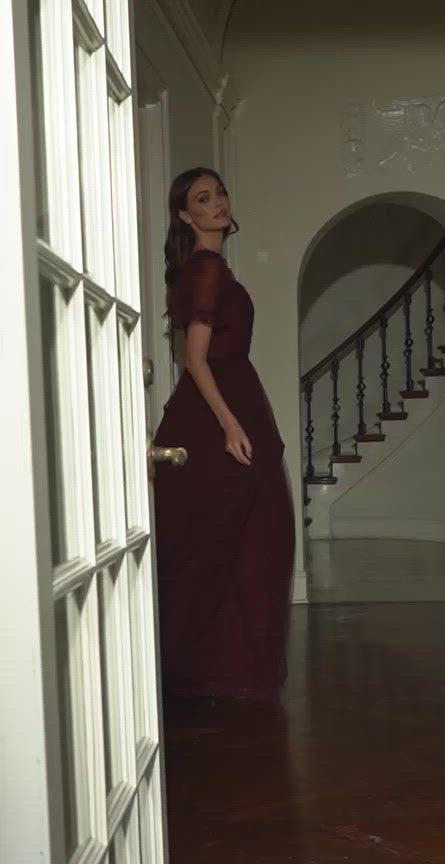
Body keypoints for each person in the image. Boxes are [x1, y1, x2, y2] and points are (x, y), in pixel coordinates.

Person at [153, 167, 294, 704]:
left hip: (228, 401)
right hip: (221, 411)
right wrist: (231, 424)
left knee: (241, 541)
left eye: (220, 194)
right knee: (243, 539)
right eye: (202, 198)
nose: (217, 204)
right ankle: (211, 670)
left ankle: (216, 669)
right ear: (185, 215)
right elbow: (195, 358)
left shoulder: (207, 267)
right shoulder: (207, 267)